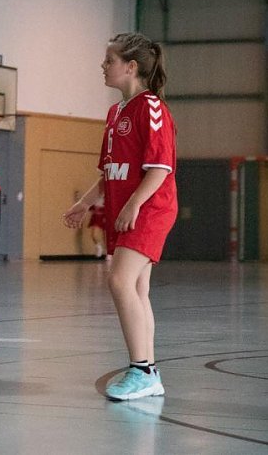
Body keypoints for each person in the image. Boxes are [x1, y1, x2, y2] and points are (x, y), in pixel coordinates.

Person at [63, 33, 176, 401]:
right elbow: (109, 170)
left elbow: (159, 168)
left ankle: (140, 369)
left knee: (119, 281)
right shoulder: (115, 112)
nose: (102, 65)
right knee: (138, 289)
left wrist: (134, 205)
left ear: (131, 67)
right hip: (127, 210)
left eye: (109, 60)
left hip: (150, 209)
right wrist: (84, 203)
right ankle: (151, 370)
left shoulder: (152, 108)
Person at [88, 194, 106, 259]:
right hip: (96, 217)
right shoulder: (94, 195)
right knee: (93, 234)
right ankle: (98, 246)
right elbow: (90, 207)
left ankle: (109, 253)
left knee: (105, 237)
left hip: (104, 216)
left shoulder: (107, 196)